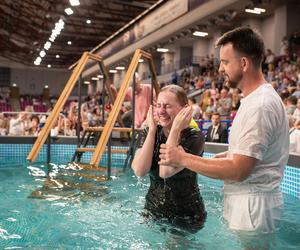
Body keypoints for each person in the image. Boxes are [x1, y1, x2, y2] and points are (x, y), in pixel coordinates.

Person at [159, 27, 289, 235]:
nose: (220, 68)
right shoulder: (254, 100)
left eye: (226, 62)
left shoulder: (260, 105)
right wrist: (229, 155)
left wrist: (182, 158)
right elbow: (247, 160)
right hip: (249, 202)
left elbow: (239, 170)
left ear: (244, 63)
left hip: (252, 208)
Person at [132, 85, 206, 232]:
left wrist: (175, 129)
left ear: (184, 109)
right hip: (153, 211)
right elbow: (140, 171)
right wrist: (152, 130)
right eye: (158, 105)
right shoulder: (150, 132)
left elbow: (165, 171)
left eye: (167, 106)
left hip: (186, 216)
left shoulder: (194, 137)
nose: (160, 111)